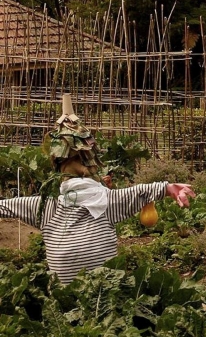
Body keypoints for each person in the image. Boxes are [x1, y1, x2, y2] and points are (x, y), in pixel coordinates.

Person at [0, 107, 195, 283]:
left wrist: (167, 188)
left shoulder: (63, 207)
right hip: (69, 301)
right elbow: (138, 192)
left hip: (95, 297)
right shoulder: (90, 204)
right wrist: (168, 188)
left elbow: (136, 193)